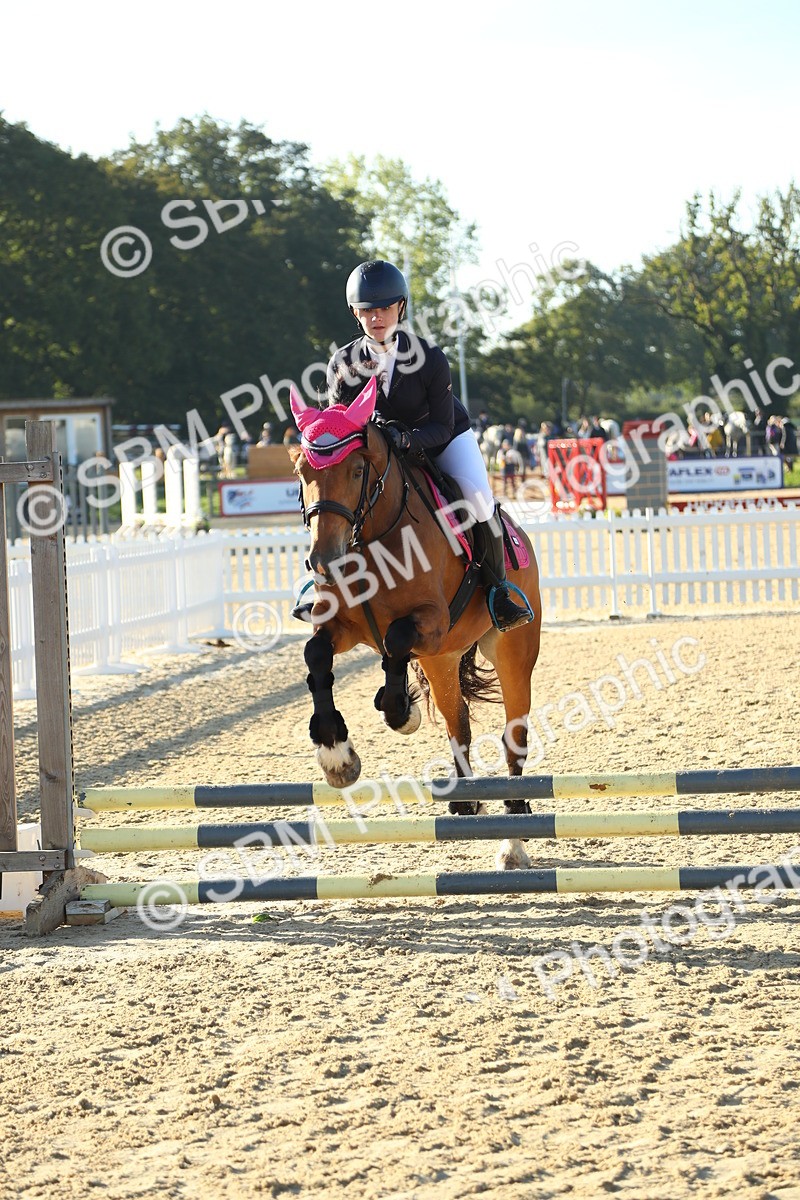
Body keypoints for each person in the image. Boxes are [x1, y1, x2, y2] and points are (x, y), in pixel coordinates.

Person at [324, 259, 532, 632]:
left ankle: (499, 591)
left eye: (385, 308)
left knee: (477, 497)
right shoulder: (343, 363)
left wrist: (407, 439)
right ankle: (325, 589)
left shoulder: (429, 357)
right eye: (367, 310)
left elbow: (442, 426)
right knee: (332, 502)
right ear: (355, 312)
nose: (377, 317)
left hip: (441, 440)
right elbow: (339, 426)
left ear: (400, 307)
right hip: (378, 454)